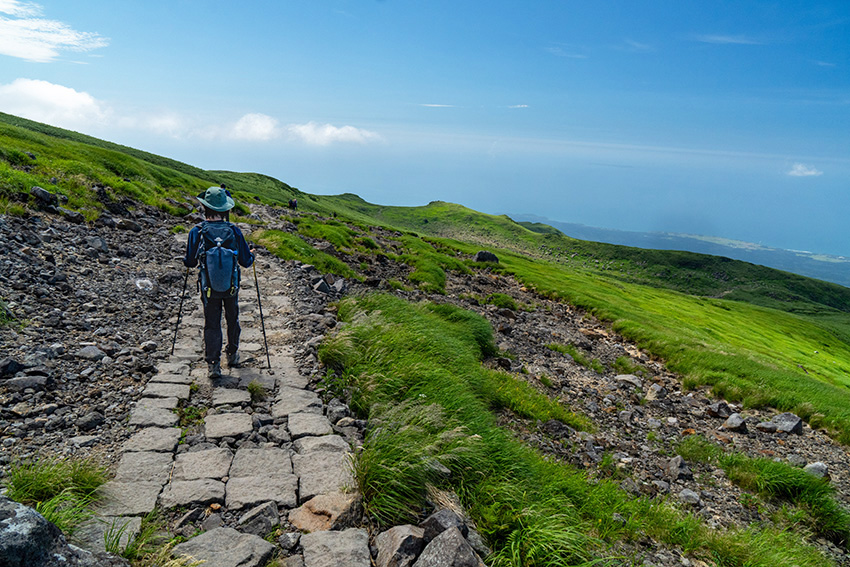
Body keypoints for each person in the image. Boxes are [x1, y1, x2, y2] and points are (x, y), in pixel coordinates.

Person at [183, 187, 254, 378]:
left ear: (205, 207)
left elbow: (190, 261)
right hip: (231, 286)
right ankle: (232, 354)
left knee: (212, 323)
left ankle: (213, 364)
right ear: (225, 210)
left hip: (208, 287)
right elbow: (246, 262)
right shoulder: (234, 231)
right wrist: (252, 256)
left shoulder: (196, 231)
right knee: (233, 318)